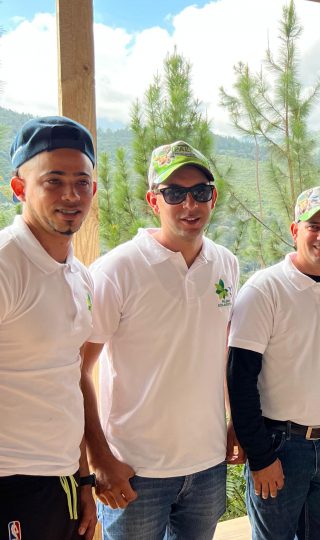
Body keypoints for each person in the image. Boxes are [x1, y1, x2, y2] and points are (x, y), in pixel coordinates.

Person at [81, 141, 241, 539]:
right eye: (174, 193)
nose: (189, 204)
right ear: (154, 200)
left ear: (213, 197)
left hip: (206, 464)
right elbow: (76, 369)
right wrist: (99, 458)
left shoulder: (226, 264)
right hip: (135, 470)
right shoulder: (117, 269)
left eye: (199, 191)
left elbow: (224, 351)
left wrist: (235, 418)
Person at [227, 186, 320, 540]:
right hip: (281, 445)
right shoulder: (265, 290)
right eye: (313, 226)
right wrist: (261, 458)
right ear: (295, 231)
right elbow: (240, 378)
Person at [0, 116, 98, 539]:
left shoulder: (80, 276)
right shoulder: (7, 265)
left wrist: (83, 479)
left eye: (82, 181)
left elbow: (67, 380)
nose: (71, 195)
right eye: (53, 181)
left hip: (59, 482)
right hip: (11, 482)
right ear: (20, 188)